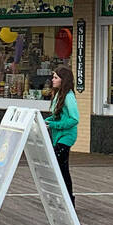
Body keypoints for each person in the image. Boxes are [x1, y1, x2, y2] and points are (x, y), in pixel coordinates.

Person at [43, 63, 79, 203]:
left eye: (56, 77)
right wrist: (47, 120)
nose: (53, 79)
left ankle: (68, 198)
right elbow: (56, 115)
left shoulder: (69, 97)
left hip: (67, 136)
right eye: (53, 77)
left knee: (60, 167)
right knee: (61, 167)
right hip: (58, 135)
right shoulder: (58, 95)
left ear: (63, 80)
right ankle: (64, 197)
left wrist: (53, 124)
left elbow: (74, 119)